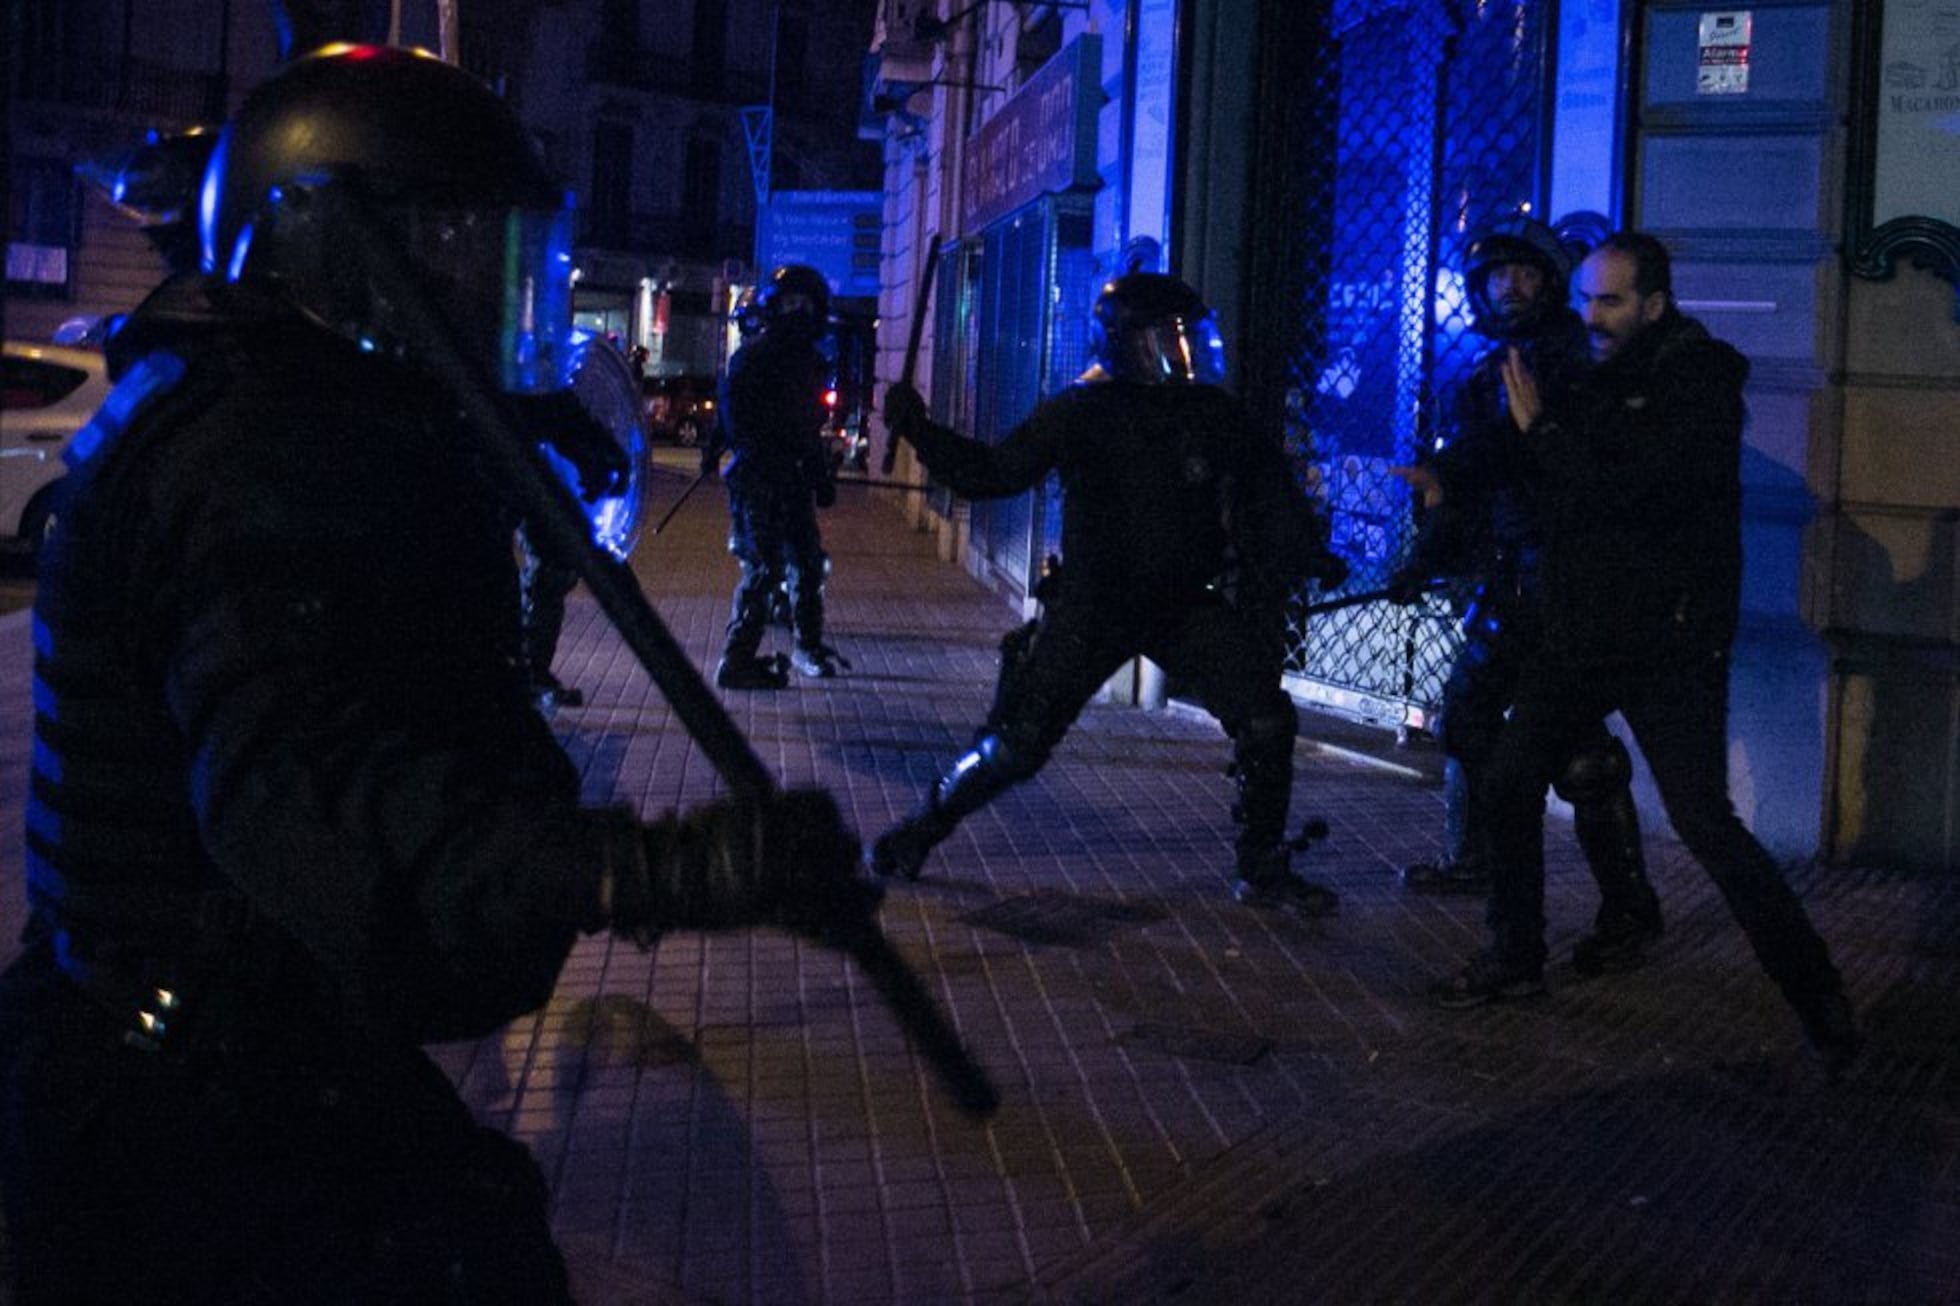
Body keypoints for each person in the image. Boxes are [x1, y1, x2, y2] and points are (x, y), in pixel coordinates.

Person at [0, 48, 871, 1303]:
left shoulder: (292, 407)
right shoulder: (257, 462)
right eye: (453, 249)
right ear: (341, 250)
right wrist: (663, 868)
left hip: (252, 1050)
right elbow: (321, 800)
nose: (477, 288)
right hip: (176, 1114)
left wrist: (532, 429)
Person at [1427, 232, 1859, 1072]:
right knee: (1511, 778)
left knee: (1707, 825)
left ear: (1654, 306)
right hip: (1582, 632)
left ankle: (1820, 998)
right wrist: (1451, 474)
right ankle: (1516, 958)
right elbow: (1522, 456)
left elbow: (1627, 492)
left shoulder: (1695, 379)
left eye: (1610, 301)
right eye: (1586, 298)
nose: (1591, 315)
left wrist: (1544, 432)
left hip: (1666, 640)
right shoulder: (1587, 373)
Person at [875, 273, 1349, 913]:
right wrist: (920, 432)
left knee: (1265, 718)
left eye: (1188, 338)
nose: (1184, 353)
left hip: (1183, 603)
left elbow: (1269, 492)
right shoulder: (1081, 412)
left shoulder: (1213, 413)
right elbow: (993, 473)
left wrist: (1310, 554)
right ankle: (920, 828)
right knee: (1017, 745)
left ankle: (1261, 864)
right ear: (1125, 343)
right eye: (1166, 339)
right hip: (1094, 606)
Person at [1389, 215, 1663, 976]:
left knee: (1577, 759)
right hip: (1509, 577)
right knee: (1470, 721)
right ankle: (1482, 857)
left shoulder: (1579, 366)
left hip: (1569, 582)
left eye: (1524, 273)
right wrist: (1427, 556)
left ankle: (1627, 908)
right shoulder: (1486, 374)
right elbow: (1468, 491)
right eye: (1496, 275)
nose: (1509, 287)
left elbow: (1576, 473)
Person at [712, 264, 844, 688]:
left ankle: (807, 645)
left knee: (806, 564)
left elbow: (810, 428)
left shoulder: (812, 365)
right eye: (791, 304)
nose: (799, 313)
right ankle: (737, 658)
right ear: (774, 307)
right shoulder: (750, 359)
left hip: (791, 479)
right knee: (764, 569)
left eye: (807, 305)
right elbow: (735, 422)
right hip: (758, 479)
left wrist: (819, 475)